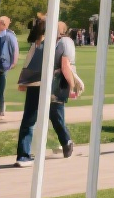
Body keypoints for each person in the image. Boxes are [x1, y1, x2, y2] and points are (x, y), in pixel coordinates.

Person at [15, 20, 83, 166]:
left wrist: (23, 82)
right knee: (56, 115)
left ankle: (23, 155)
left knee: (29, 119)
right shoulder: (64, 42)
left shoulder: (38, 42)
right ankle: (66, 142)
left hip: (35, 83)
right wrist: (72, 86)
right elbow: (65, 66)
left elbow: (28, 62)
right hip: (54, 84)